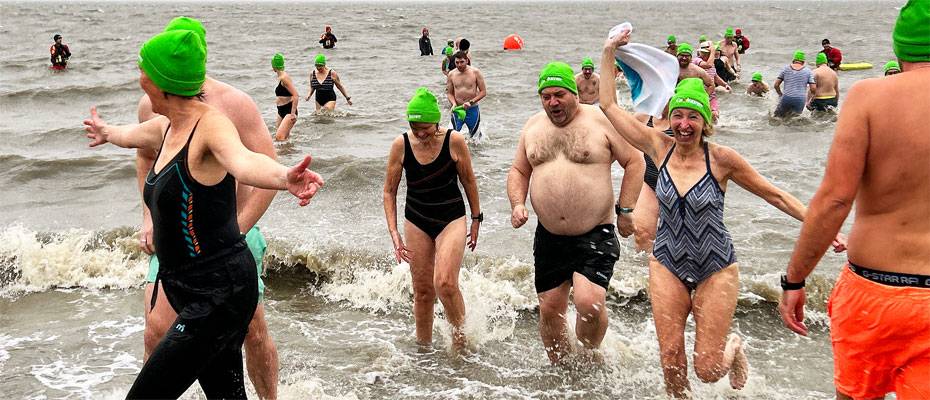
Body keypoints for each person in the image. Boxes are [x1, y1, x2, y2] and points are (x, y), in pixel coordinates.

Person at [600, 31, 844, 398]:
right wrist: (608, 52)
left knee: (708, 370)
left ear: (704, 122)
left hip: (716, 265)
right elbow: (608, 106)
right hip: (666, 261)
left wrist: (823, 227)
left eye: (692, 117)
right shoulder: (657, 146)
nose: (683, 124)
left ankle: (734, 349)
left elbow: (773, 195)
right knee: (670, 358)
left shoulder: (722, 159)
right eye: (678, 115)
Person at [84, 29, 324, 399]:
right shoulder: (167, 126)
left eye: (144, 70)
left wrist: (284, 178)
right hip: (193, 286)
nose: (138, 76)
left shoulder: (210, 126)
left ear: (163, 83)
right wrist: (105, 131)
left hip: (219, 292)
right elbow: (131, 135)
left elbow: (245, 162)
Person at [779, 3, 930, 399]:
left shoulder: (869, 97)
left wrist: (795, 278)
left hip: (874, 291)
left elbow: (834, 199)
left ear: (900, 50)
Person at [133, 17, 281, 400]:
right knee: (156, 331)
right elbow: (144, 154)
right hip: (175, 241)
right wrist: (148, 216)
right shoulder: (154, 107)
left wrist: (239, 228)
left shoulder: (232, 105)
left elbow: (258, 163)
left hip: (229, 243)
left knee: (251, 330)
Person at [507, 61, 644, 364]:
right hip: (550, 236)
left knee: (589, 304)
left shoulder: (601, 121)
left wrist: (626, 210)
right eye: (546, 97)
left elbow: (635, 161)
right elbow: (518, 170)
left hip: (595, 231)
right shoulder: (532, 127)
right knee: (549, 309)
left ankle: (589, 354)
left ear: (575, 94)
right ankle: (562, 369)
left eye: (559, 95)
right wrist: (518, 204)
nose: (552, 103)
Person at [383, 87, 481, 351]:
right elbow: (389, 192)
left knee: (445, 282)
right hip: (417, 218)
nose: (420, 133)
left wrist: (476, 218)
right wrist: (394, 233)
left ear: (436, 122)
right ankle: (423, 349)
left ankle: (461, 344)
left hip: (451, 217)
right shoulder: (401, 145)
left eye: (425, 127)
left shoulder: (454, 141)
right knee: (423, 291)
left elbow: (469, 181)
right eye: (415, 127)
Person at [445, 51, 486, 140]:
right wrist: (453, 103)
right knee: (451, 137)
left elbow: (483, 92)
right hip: (458, 109)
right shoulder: (451, 74)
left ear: (467, 60)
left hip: (472, 109)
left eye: (462, 62)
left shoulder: (475, 72)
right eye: (457, 62)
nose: (459, 65)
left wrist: (470, 102)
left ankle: (474, 153)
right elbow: (449, 93)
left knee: (476, 139)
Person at [676, 43, 717, 120]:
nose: (684, 58)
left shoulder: (697, 71)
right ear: (677, 56)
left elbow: (711, 85)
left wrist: (703, 97)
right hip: (675, 100)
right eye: (682, 55)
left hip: (692, 101)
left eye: (687, 56)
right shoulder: (671, 68)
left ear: (691, 58)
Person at [773, 51, 815, 118]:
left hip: (786, 97)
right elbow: (813, 89)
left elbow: (776, 85)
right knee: (795, 120)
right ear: (803, 62)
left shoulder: (786, 68)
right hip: (800, 100)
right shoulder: (808, 71)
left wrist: (780, 95)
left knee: (777, 117)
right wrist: (810, 100)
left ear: (793, 60)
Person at [272, 53, 299, 141]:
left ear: (274, 65)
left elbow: (296, 95)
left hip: (288, 111)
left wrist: (292, 113)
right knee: (282, 138)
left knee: (279, 137)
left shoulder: (284, 78)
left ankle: (286, 153)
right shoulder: (281, 77)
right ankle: (287, 154)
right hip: (281, 111)